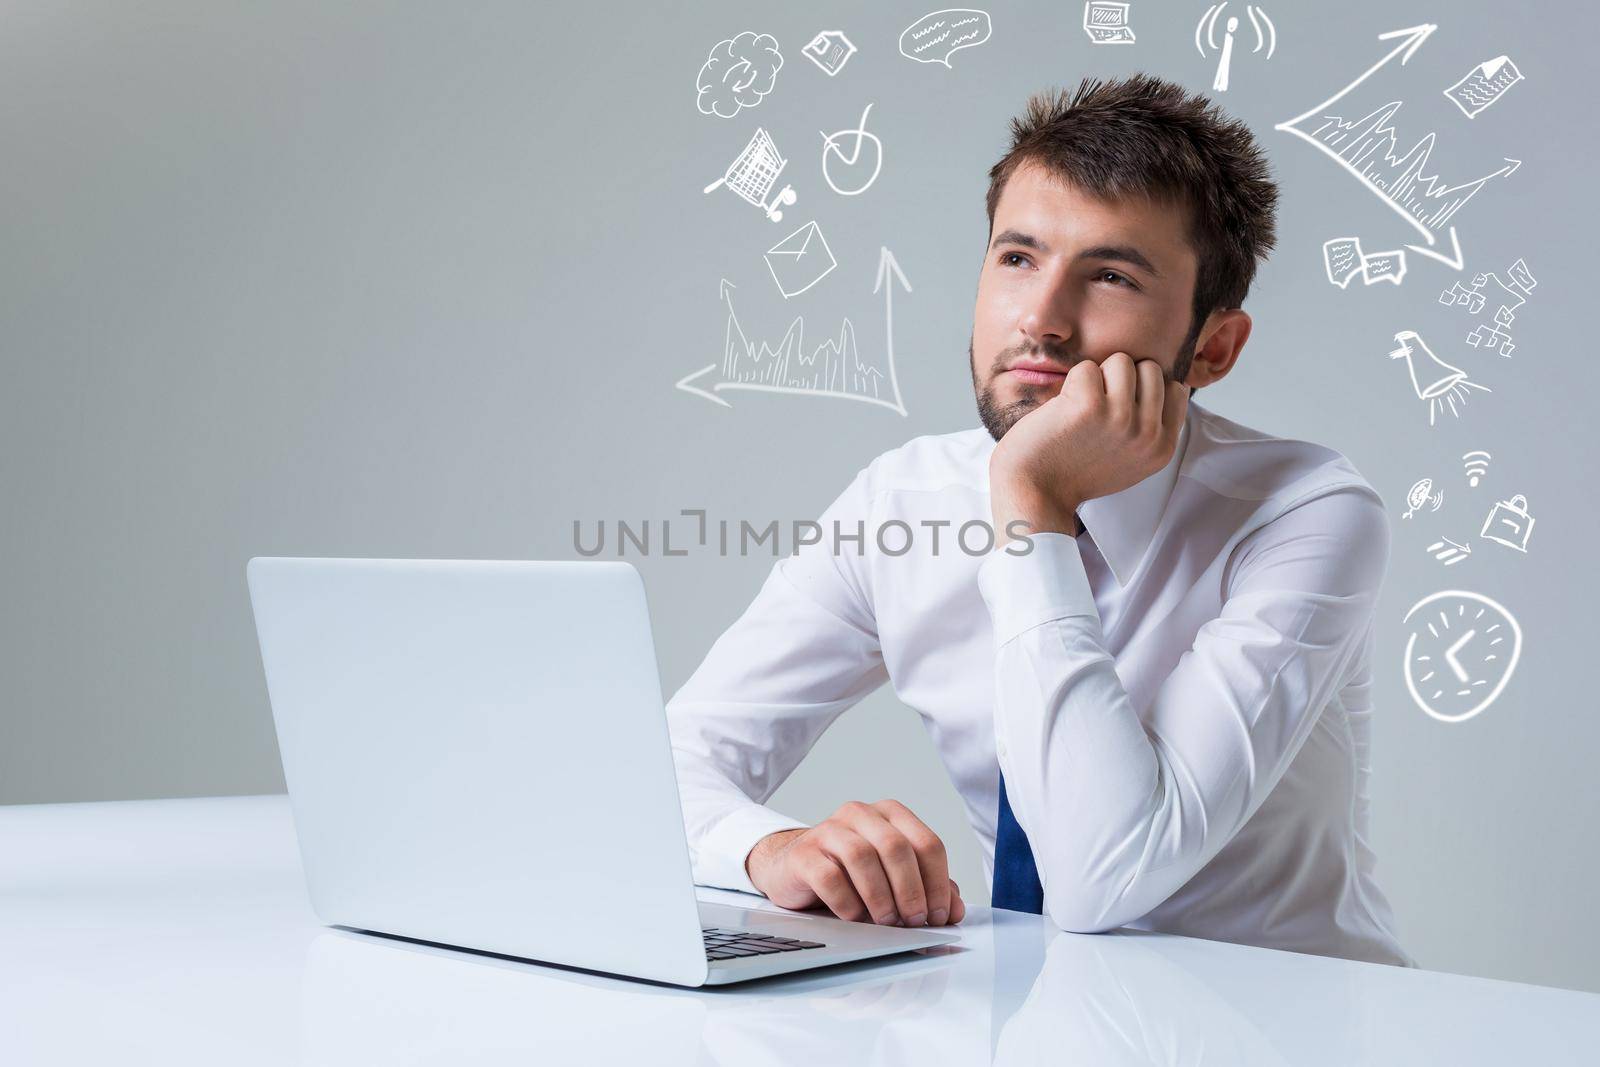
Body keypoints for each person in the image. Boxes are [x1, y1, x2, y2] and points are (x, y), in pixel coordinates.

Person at [665, 75, 1412, 966]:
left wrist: (1033, 505)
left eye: (1109, 276)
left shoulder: (1305, 514)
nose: (1041, 322)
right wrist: (766, 849)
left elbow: (1106, 876)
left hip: (1292, 1028)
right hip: (1035, 1019)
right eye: (1017, 259)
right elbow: (663, 766)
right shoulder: (900, 501)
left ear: (1212, 348)